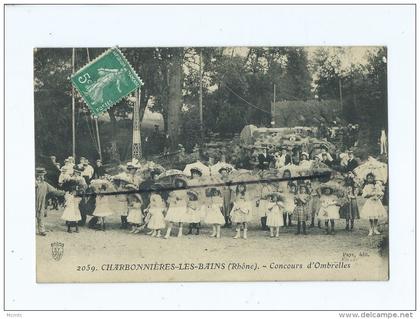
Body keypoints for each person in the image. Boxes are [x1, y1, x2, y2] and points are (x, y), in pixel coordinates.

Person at [35, 167, 65, 236]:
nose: (42, 176)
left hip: (41, 202)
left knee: (40, 216)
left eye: (42, 175)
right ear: (37, 175)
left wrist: (62, 193)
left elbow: (54, 191)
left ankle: (41, 230)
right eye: (40, 175)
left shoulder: (45, 184)